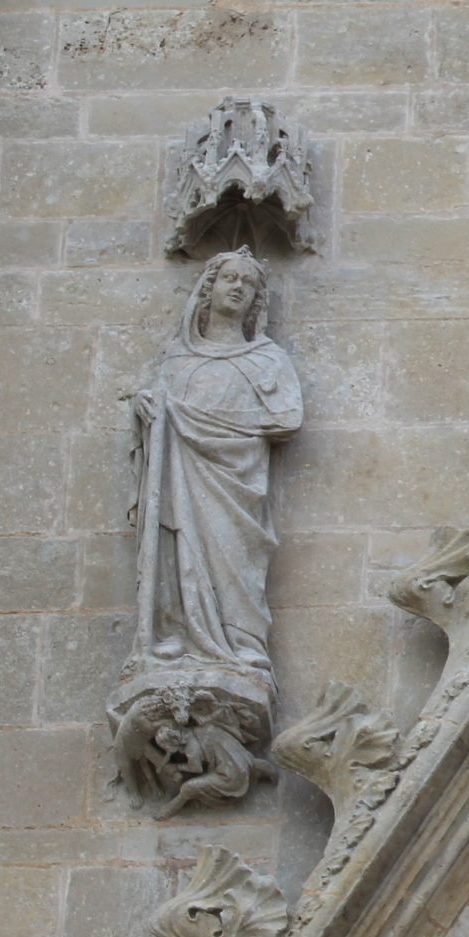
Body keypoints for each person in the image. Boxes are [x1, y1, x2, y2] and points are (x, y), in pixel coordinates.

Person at [127, 248, 303, 681]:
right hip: (182, 478)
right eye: (229, 278)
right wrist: (149, 411)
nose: (238, 286)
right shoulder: (179, 361)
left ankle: (241, 640)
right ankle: (174, 632)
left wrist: (223, 425)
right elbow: (160, 414)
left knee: (235, 555)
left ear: (256, 300)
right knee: (177, 543)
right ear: (209, 289)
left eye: (248, 282)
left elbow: (288, 418)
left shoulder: (267, 359)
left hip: (235, 485)